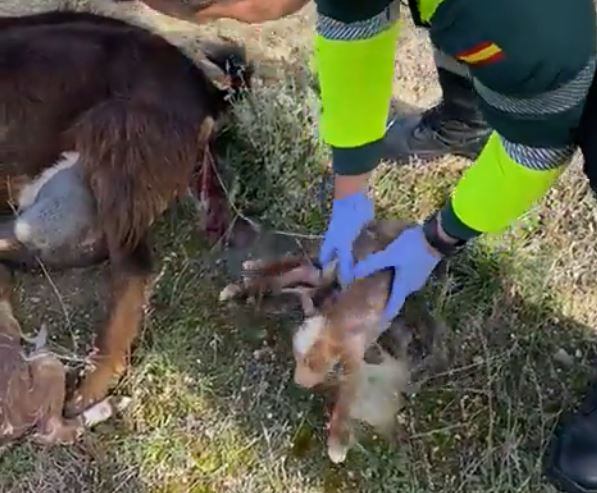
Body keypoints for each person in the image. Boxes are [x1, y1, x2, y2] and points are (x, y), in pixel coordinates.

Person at [149, 0, 597, 491]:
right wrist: (349, 194)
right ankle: (469, 118)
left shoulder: (515, 19)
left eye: (221, 15)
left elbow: (536, 145)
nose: (228, 27)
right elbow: (352, 22)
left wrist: (434, 241)